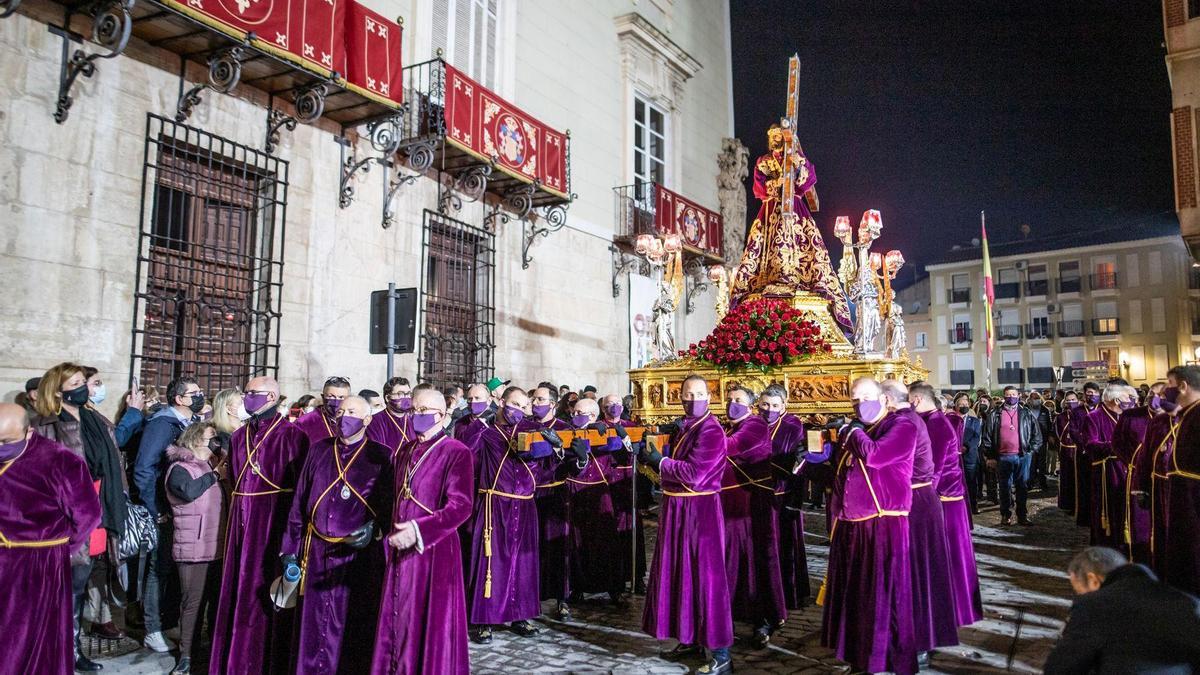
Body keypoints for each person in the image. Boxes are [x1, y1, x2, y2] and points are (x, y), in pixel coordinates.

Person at [813, 376, 917, 675]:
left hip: (883, 524)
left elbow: (876, 456)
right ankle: (859, 657)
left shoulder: (901, 426)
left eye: (865, 398)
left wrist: (852, 431)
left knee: (882, 597)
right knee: (856, 597)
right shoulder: (862, 430)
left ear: (884, 399)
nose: (860, 406)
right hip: (852, 525)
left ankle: (883, 661)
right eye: (855, 401)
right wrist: (812, 461)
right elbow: (841, 475)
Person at [281, 396, 391, 674]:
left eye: (352, 412)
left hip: (357, 556)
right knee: (313, 621)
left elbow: (389, 505)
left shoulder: (382, 455)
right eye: (341, 412)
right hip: (316, 551)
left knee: (351, 621)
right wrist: (289, 549)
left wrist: (376, 528)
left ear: (367, 420)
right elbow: (299, 502)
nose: (344, 417)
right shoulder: (318, 450)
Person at [371, 387, 475, 674]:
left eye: (424, 411)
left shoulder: (457, 452)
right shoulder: (405, 449)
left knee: (427, 621)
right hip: (399, 547)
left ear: (441, 416)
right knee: (399, 616)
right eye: (413, 410)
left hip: (434, 550)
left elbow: (461, 506)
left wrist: (419, 530)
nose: (416, 416)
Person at [32, 362, 129, 670]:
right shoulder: (44, 425)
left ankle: (72, 652)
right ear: (58, 390)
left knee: (78, 587)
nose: (82, 387)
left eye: (82, 382)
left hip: (95, 513)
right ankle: (46, 650)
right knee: (54, 591)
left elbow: (111, 464)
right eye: (74, 382)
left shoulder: (95, 420)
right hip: (60, 519)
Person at [210, 376, 309, 674]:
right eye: (246, 393)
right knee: (236, 588)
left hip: (272, 521)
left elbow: (299, 489)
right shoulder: (239, 436)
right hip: (240, 521)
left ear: (272, 397)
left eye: (254, 393)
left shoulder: (293, 436)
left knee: (264, 586)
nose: (247, 397)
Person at [640, 374, 733, 674]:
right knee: (682, 574)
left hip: (700, 512)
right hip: (678, 509)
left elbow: (694, 473)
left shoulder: (711, 430)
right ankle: (690, 637)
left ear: (709, 397)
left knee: (707, 580)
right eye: (686, 394)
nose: (692, 400)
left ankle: (721, 653)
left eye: (698, 394)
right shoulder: (687, 427)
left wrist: (661, 462)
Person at [0, 402, 102, 674]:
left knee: (26, 636)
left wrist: (63, 548)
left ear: (29, 433)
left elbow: (88, 513)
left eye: (6, 441)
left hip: (38, 562)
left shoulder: (59, 460)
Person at [728, 124, 850, 330]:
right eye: (773, 136)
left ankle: (800, 277)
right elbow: (758, 187)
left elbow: (808, 180)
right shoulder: (763, 161)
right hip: (770, 210)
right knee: (762, 245)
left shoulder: (796, 158)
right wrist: (778, 184)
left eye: (779, 136)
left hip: (795, 209)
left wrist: (796, 169)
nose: (776, 139)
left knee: (805, 244)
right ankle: (769, 278)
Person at [881, 379, 957, 658]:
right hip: (911, 502)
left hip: (917, 504)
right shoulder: (906, 419)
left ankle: (920, 638)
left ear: (887, 400)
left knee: (917, 572)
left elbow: (880, 459)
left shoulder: (906, 423)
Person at [465, 387, 545, 643]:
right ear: (501, 402)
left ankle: (521, 615)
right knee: (492, 563)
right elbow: (467, 460)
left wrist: (553, 449)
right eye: (515, 405)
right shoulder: (484, 433)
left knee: (523, 563)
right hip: (493, 505)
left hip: (525, 506)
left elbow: (545, 468)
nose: (519, 411)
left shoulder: (530, 431)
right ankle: (484, 620)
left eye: (524, 407)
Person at [1044, 546, 1200, 674]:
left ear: (1093, 580)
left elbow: (1060, 668)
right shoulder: (1191, 603)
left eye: (1079, 591)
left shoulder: (1093, 605)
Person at [134, 376, 204, 652]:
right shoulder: (162, 424)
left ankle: (169, 620)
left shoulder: (188, 423)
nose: (200, 396)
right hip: (163, 508)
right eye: (194, 393)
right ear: (179, 399)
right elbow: (144, 467)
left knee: (174, 568)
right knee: (158, 569)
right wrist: (154, 508)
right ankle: (152, 628)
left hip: (180, 508)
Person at [718, 385, 785, 648]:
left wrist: (698, 434)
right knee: (732, 565)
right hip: (730, 507)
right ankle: (730, 616)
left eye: (739, 400)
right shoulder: (727, 427)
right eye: (729, 399)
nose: (733, 404)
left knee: (757, 564)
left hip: (752, 508)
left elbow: (731, 448)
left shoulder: (755, 426)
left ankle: (763, 621)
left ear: (751, 405)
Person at [911, 384, 982, 629]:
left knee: (950, 555)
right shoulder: (931, 421)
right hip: (943, 498)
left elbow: (935, 467)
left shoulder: (936, 424)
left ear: (917, 400)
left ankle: (953, 607)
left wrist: (924, 497)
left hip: (945, 500)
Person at [164, 421, 226, 675]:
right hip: (193, 549)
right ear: (196, 439)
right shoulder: (180, 468)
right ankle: (186, 656)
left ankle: (212, 652)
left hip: (218, 548)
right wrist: (214, 476)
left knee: (215, 603)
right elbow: (187, 492)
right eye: (212, 437)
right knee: (193, 604)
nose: (216, 442)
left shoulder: (213, 465)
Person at [564, 398, 624, 605]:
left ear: (592, 415)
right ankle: (577, 586)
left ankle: (612, 587)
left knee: (605, 541)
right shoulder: (567, 432)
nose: (574, 416)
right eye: (573, 413)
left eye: (579, 413)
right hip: (575, 490)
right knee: (577, 541)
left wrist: (607, 430)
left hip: (599, 493)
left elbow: (621, 451)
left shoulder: (603, 431)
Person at [759, 384, 811, 611]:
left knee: (784, 550)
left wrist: (794, 503)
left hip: (783, 497)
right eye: (764, 405)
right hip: (759, 494)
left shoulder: (792, 426)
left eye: (774, 406)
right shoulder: (754, 425)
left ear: (784, 406)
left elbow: (797, 465)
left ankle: (787, 595)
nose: (769, 410)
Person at [526, 386, 573, 618]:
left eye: (541, 399)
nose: (536, 403)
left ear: (553, 404)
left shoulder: (565, 428)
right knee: (531, 548)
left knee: (557, 546)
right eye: (534, 399)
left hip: (555, 494)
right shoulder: (526, 426)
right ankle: (531, 596)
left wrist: (560, 449)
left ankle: (562, 598)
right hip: (530, 495)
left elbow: (573, 461)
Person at [1128, 383, 1178, 567]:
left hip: (1185, 488)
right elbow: (1145, 457)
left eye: (1164, 396)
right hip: (1159, 485)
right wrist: (1140, 488)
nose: (1159, 400)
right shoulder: (1157, 422)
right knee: (1162, 532)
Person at [602, 393, 646, 596]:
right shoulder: (599, 426)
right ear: (603, 408)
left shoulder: (631, 425)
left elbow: (640, 449)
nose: (614, 407)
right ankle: (614, 579)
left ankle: (636, 577)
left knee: (632, 528)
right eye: (610, 404)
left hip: (628, 480)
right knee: (610, 529)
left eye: (618, 403)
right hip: (608, 481)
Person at [981, 386, 1043, 526]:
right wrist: (990, 456)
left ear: (1018, 396)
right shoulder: (995, 414)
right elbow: (987, 437)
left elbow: (1037, 435)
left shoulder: (1026, 413)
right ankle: (1005, 514)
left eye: (1013, 394)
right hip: (1002, 457)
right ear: (1004, 396)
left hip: (1022, 456)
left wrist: (1030, 451)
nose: (1011, 397)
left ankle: (1022, 515)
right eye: (1008, 395)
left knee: (1022, 486)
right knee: (1004, 487)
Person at [1109, 383, 1158, 558]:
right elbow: (1117, 442)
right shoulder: (1132, 416)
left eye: (1159, 394)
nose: (1154, 397)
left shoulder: (1174, 417)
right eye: (1151, 394)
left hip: (1163, 477)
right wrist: (1132, 461)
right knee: (1140, 516)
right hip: (1137, 472)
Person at [1082, 385, 1134, 547]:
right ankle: (1107, 542)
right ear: (1116, 400)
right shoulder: (1094, 417)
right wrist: (1116, 445)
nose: (1131, 401)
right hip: (1107, 469)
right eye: (1127, 398)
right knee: (1109, 506)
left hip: (1127, 467)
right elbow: (1090, 444)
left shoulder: (1127, 416)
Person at [1164, 365, 1200, 595]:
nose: (1165, 393)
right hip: (1187, 497)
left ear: (1183, 386)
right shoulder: (1188, 414)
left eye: (1169, 387)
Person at [294, 377, 352, 443]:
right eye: (331, 396)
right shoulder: (304, 423)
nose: (336, 401)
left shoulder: (358, 421)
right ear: (323, 397)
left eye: (341, 397)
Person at [368, 377, 414, 458]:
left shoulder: (414, 420)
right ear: (387, 398)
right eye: (400, 394)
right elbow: (377, 453)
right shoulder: (375, 421)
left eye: (408, 394)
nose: (406, 398)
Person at [955, 393, 983, 516]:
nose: (964, 406)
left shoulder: (975, 421)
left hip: (969, 456)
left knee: (971, 481)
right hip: (955, 456)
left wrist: (966, 446)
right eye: (961, 404)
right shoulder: (952, 420)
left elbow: (976, 437)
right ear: (956, 406)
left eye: (966, 404)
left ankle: (973, 504)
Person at [1057, 391, 1081, 517]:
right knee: (1067, 478)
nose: (1071, 402)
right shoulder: (1060, 417)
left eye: (1073, 399)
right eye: (1068, 400)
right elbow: (1058, 433)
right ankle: (1067, 504)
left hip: (1078, 450)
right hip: (1066, 450)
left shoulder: (1082, 414)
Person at [452, 383, 492, 450]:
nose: (473, 401)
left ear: (489, 401)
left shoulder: (495, 422)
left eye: (477, 398)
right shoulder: (459, 423)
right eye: (470, 398)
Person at [1027, 391, 1053, 490]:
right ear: (1030, 399)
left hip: (1042, 440)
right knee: (1031, 463)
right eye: (1034, 398)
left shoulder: (1045, 410)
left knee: (1042, 463)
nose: (1036, 400)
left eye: (1038, 398)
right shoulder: (1025, 409)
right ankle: (1030, 483)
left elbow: (1049, 424)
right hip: (1030, 441)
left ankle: (1042, 483)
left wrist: (1050, 435)